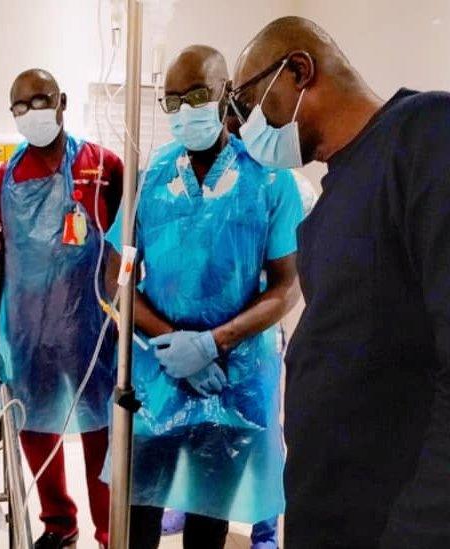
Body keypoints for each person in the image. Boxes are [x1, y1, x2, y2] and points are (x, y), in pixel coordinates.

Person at [231, 16, 450, 548]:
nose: (245, 127)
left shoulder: (424, 135)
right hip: (332, 514)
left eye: (250, 104)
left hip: (393, 523)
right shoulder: (334, 198)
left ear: (299, 71)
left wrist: (418, 530)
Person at [103, 45, 303, 549]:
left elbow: (287, 287)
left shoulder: (270, 180)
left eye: (195, 94)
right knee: (139, 513)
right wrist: (175, 343)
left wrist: (213, 344)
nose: (184, 109)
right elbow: (117, 278)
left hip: (230, 380)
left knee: (209, 524)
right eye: (171, 100)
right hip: (157, 376)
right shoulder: (151, 180)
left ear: (223, 94)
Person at [0, 68, 122, 548]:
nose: (30, 113)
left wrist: (128, 316)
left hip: (89, 326)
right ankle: (59, 523)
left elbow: (127, 243)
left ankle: (109, 531)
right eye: (19, 107)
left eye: (39, 101)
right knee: (36, 428)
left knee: (100, 430)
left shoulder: (104, 165)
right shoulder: (5, 178)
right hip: (28, 328)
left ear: (62, 101)